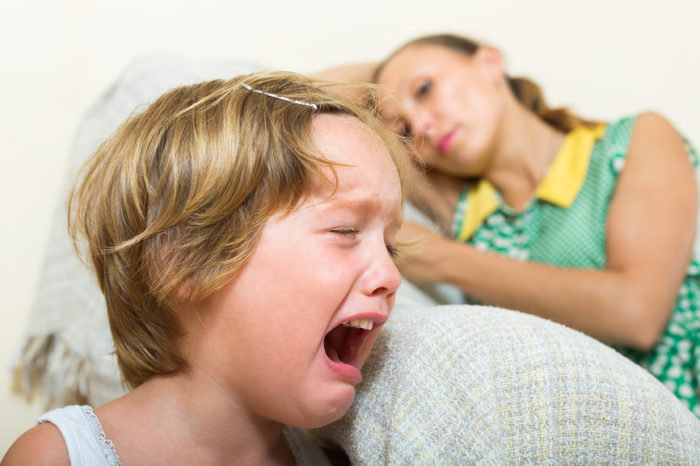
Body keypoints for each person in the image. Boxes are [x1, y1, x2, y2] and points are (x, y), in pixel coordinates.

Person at [2, 71, 409, 465]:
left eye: (391, 247)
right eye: (345, 230)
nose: (391, 276)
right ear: (186, 261)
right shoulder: (59, 456)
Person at [317, 33, 700, 416]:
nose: (421, 124)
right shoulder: (463, 210)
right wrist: (393, 88)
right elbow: (311, 103)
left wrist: (440, 259)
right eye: (403, 131)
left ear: (490, 63)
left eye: (426, 89)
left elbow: (636, 313)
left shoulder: (633, 141)